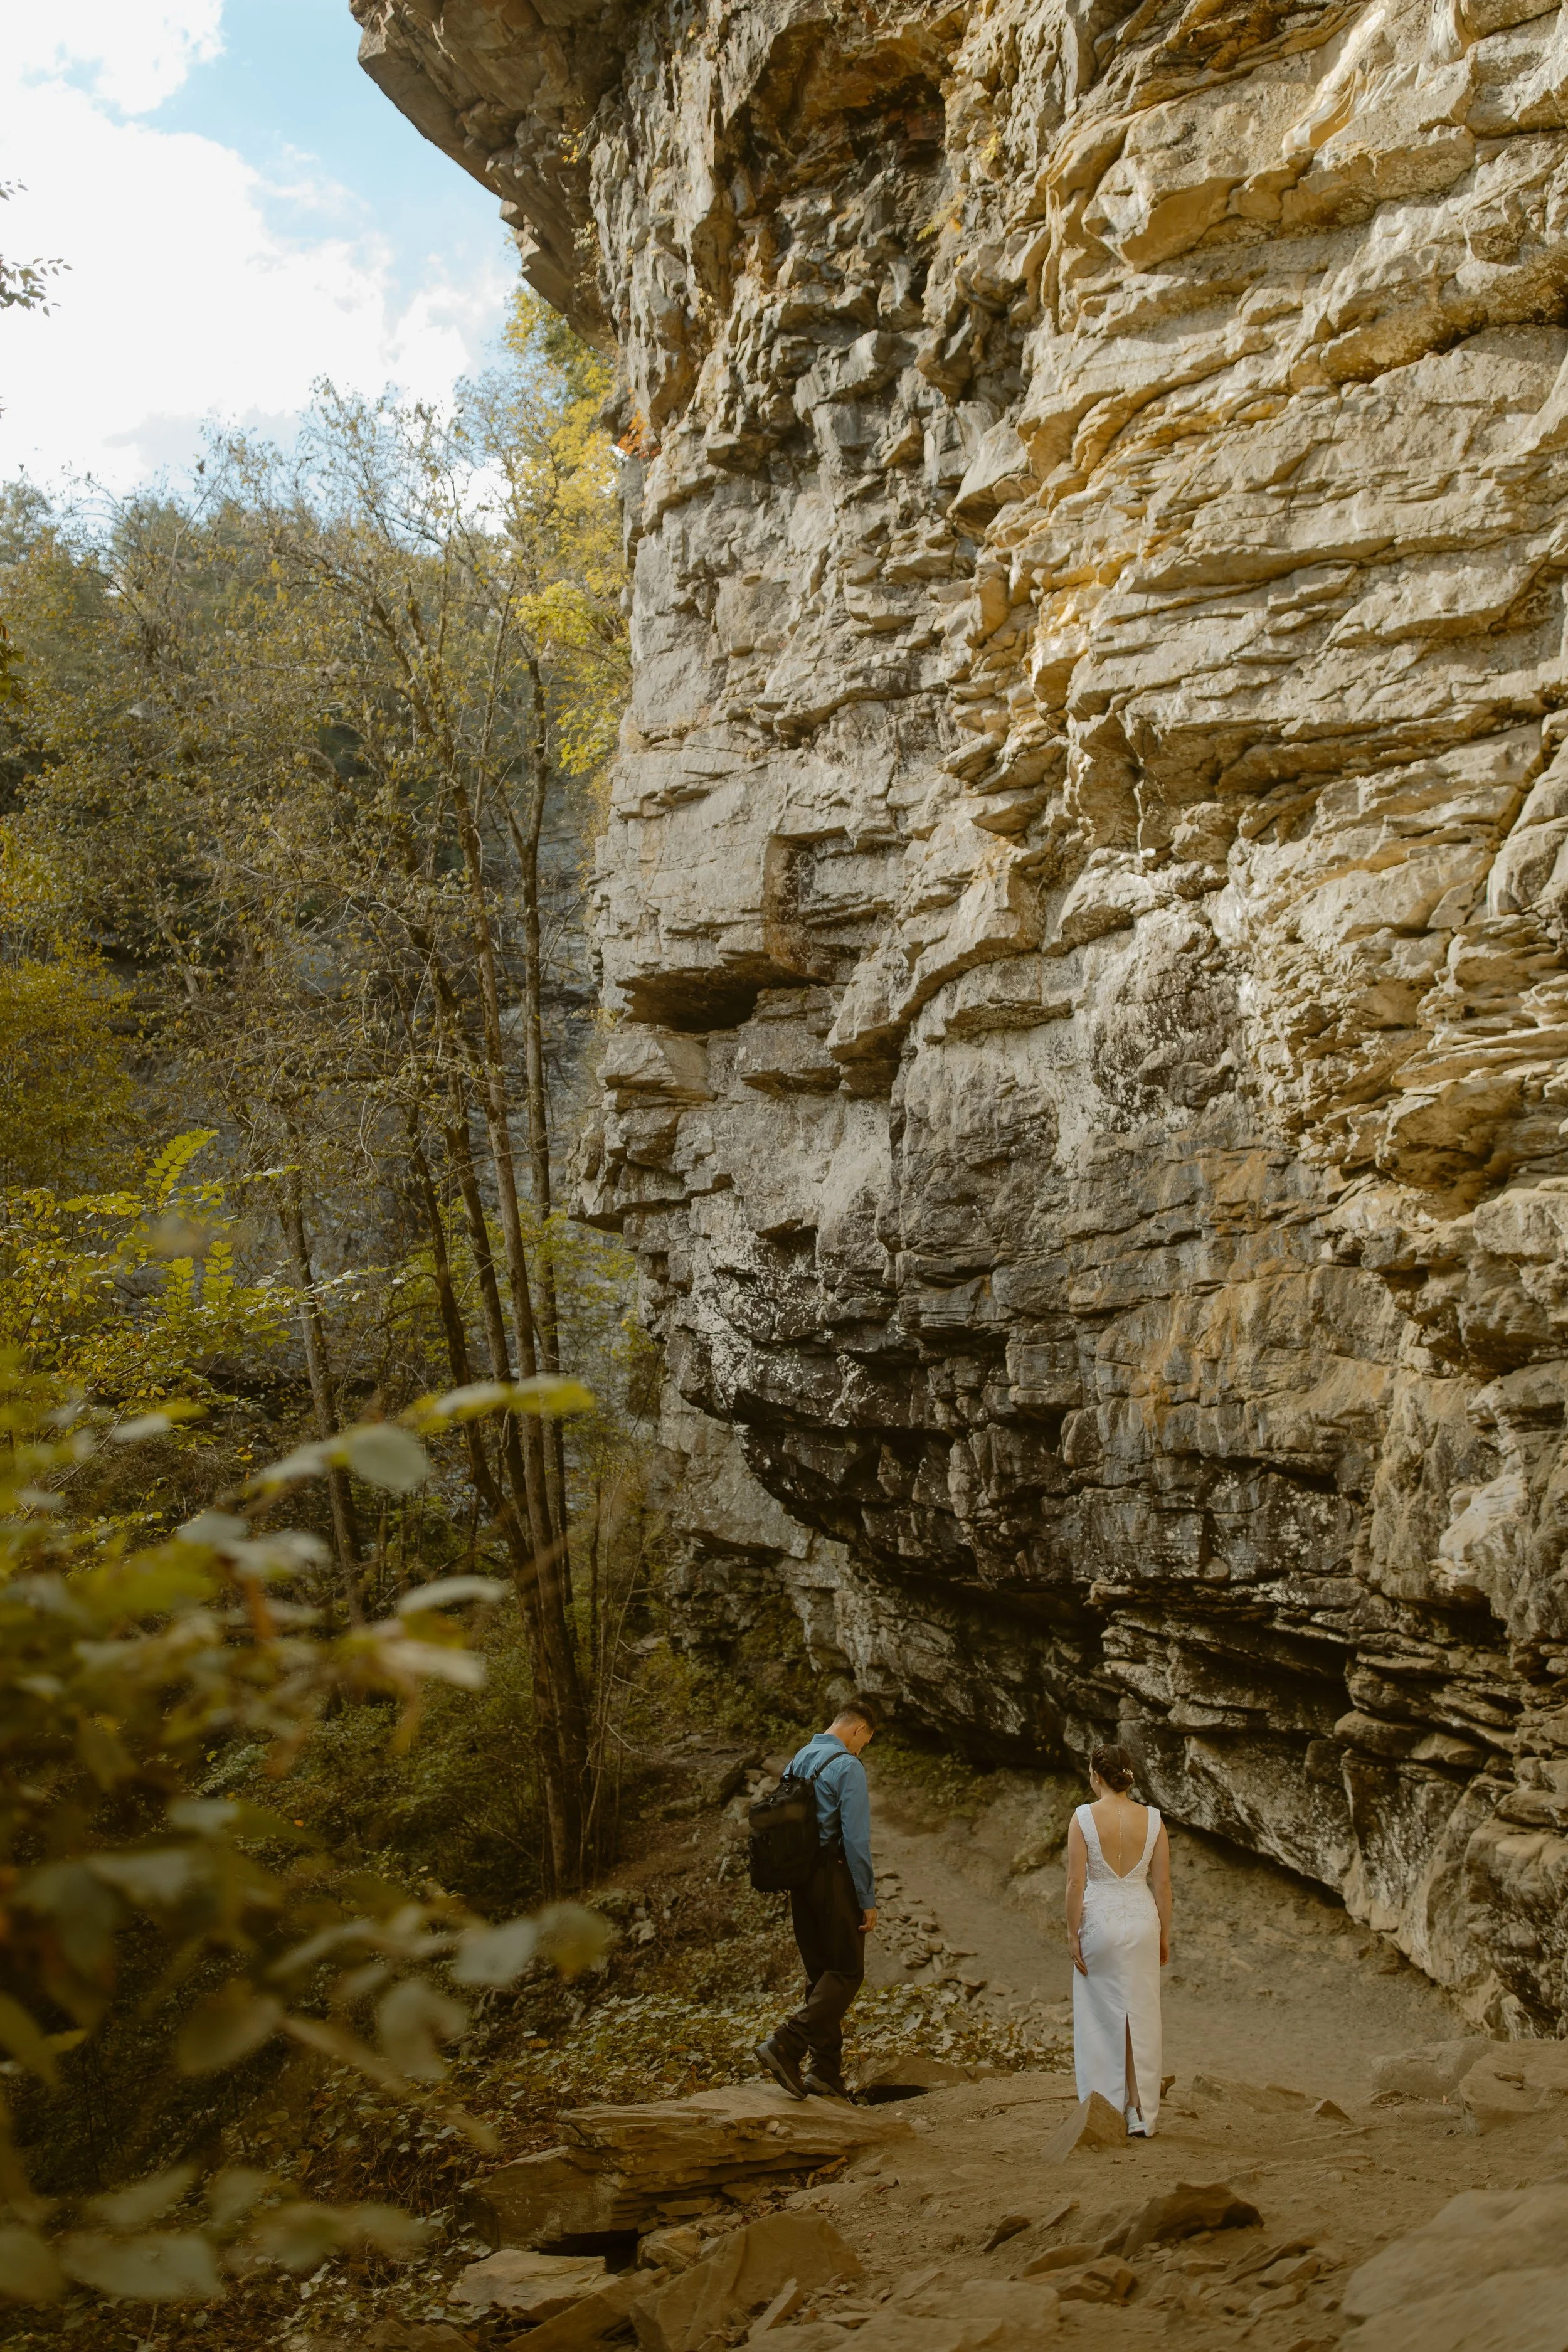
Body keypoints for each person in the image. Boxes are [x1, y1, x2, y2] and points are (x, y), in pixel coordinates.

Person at [755, 1697, 880, 2102]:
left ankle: (824, 2073)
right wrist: (867, 1898)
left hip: (800, 1881)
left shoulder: (799, 1759)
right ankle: (787, 2044)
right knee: (846, 1972)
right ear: (859, 1729)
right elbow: (856, 1840)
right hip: (834, 1879)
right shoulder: (847, 1766)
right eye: (865, 1742)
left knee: (821, 1977)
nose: (861, 1749)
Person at [1064, 1741, 1172, 2138]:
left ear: (1096, 1775)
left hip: (1100, 1922)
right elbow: (1163, 1885)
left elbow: (1076, 1882)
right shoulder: (1155, 1820)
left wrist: (1072, 1934)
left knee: (1099, 2017)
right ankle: (1139, 2111)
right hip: (1143, 1920)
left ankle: (1103, 2108)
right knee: (1141, 2016)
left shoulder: (1083, 1818)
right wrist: (1163, 1934)